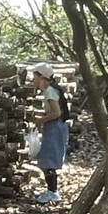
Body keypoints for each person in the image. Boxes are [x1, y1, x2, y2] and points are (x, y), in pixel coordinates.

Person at [28, 62, 69, 204]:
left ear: (42, 77)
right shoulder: (51, 90)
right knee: (48, 157)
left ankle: (53, 192)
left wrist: (40, 120)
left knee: (49, 159)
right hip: (55, 127)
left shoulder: (50, 91)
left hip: (55, 127)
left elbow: (56, 113)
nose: (33, 80)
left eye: (35, 76)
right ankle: (52, 191)